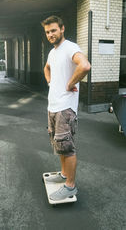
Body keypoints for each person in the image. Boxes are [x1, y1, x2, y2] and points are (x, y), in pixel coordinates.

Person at [42, 15, 91, 201]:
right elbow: (46, 68)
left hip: (65, 107)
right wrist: (50, 82)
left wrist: (70, 83)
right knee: (59, 144)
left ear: (62, 29)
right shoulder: (52, 52)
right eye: (47, 32)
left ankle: (70, 186)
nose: (50, 34)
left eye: (53, 30)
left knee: (67, 147)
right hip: (53, 106)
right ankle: (63, 175)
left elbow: (85, 66)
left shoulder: (70, 47)